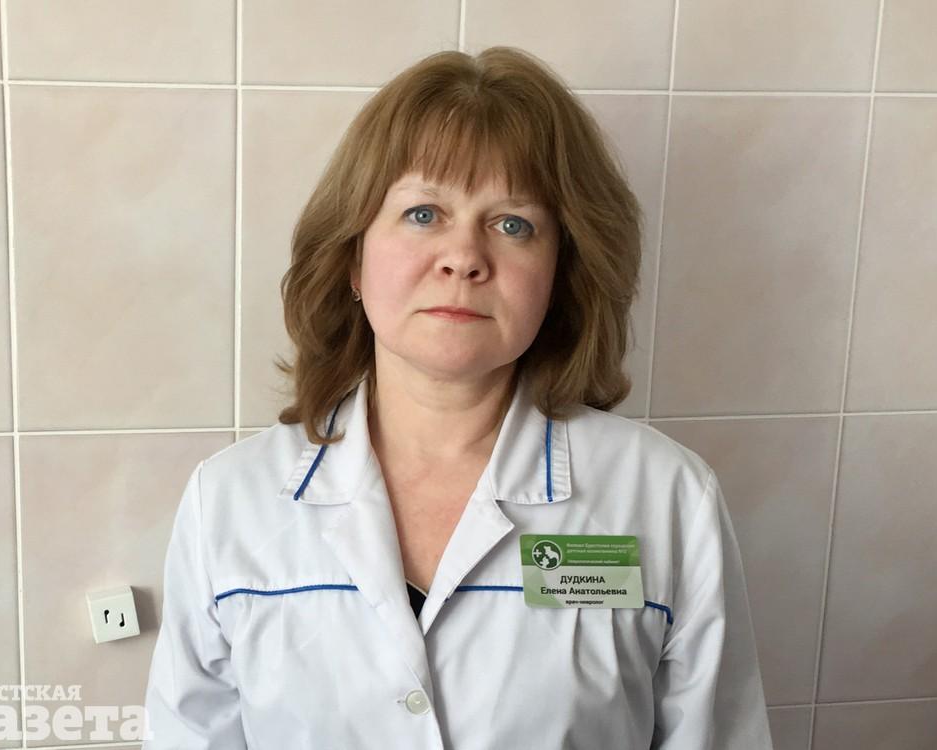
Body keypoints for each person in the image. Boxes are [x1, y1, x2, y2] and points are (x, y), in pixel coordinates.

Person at [142, 46, 773, 749]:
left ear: (561, 275)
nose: (464, 257)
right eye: (423, 213)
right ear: (353, 259)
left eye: (513, 224)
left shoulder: (665, 497)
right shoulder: (229, 502)